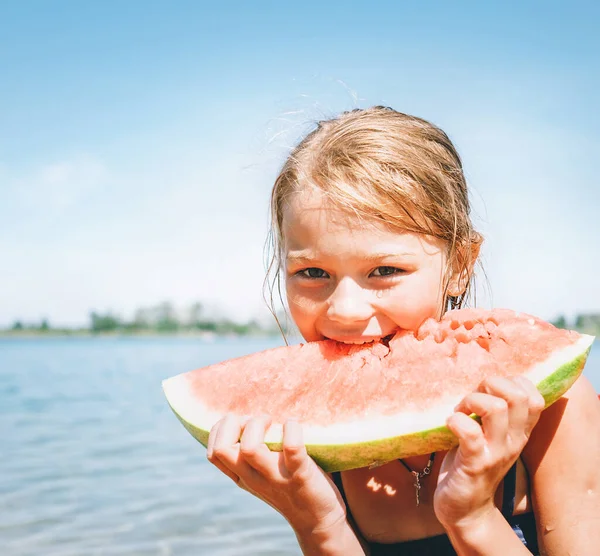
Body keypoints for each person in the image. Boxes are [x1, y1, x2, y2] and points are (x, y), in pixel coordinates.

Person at [206, 106, 600, 554]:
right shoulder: (304, 434)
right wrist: (319, 526)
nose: (347, 310)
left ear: (460, 266)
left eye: (385, 269)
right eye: (312, 273)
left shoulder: (555, 409)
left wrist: (473, 518)